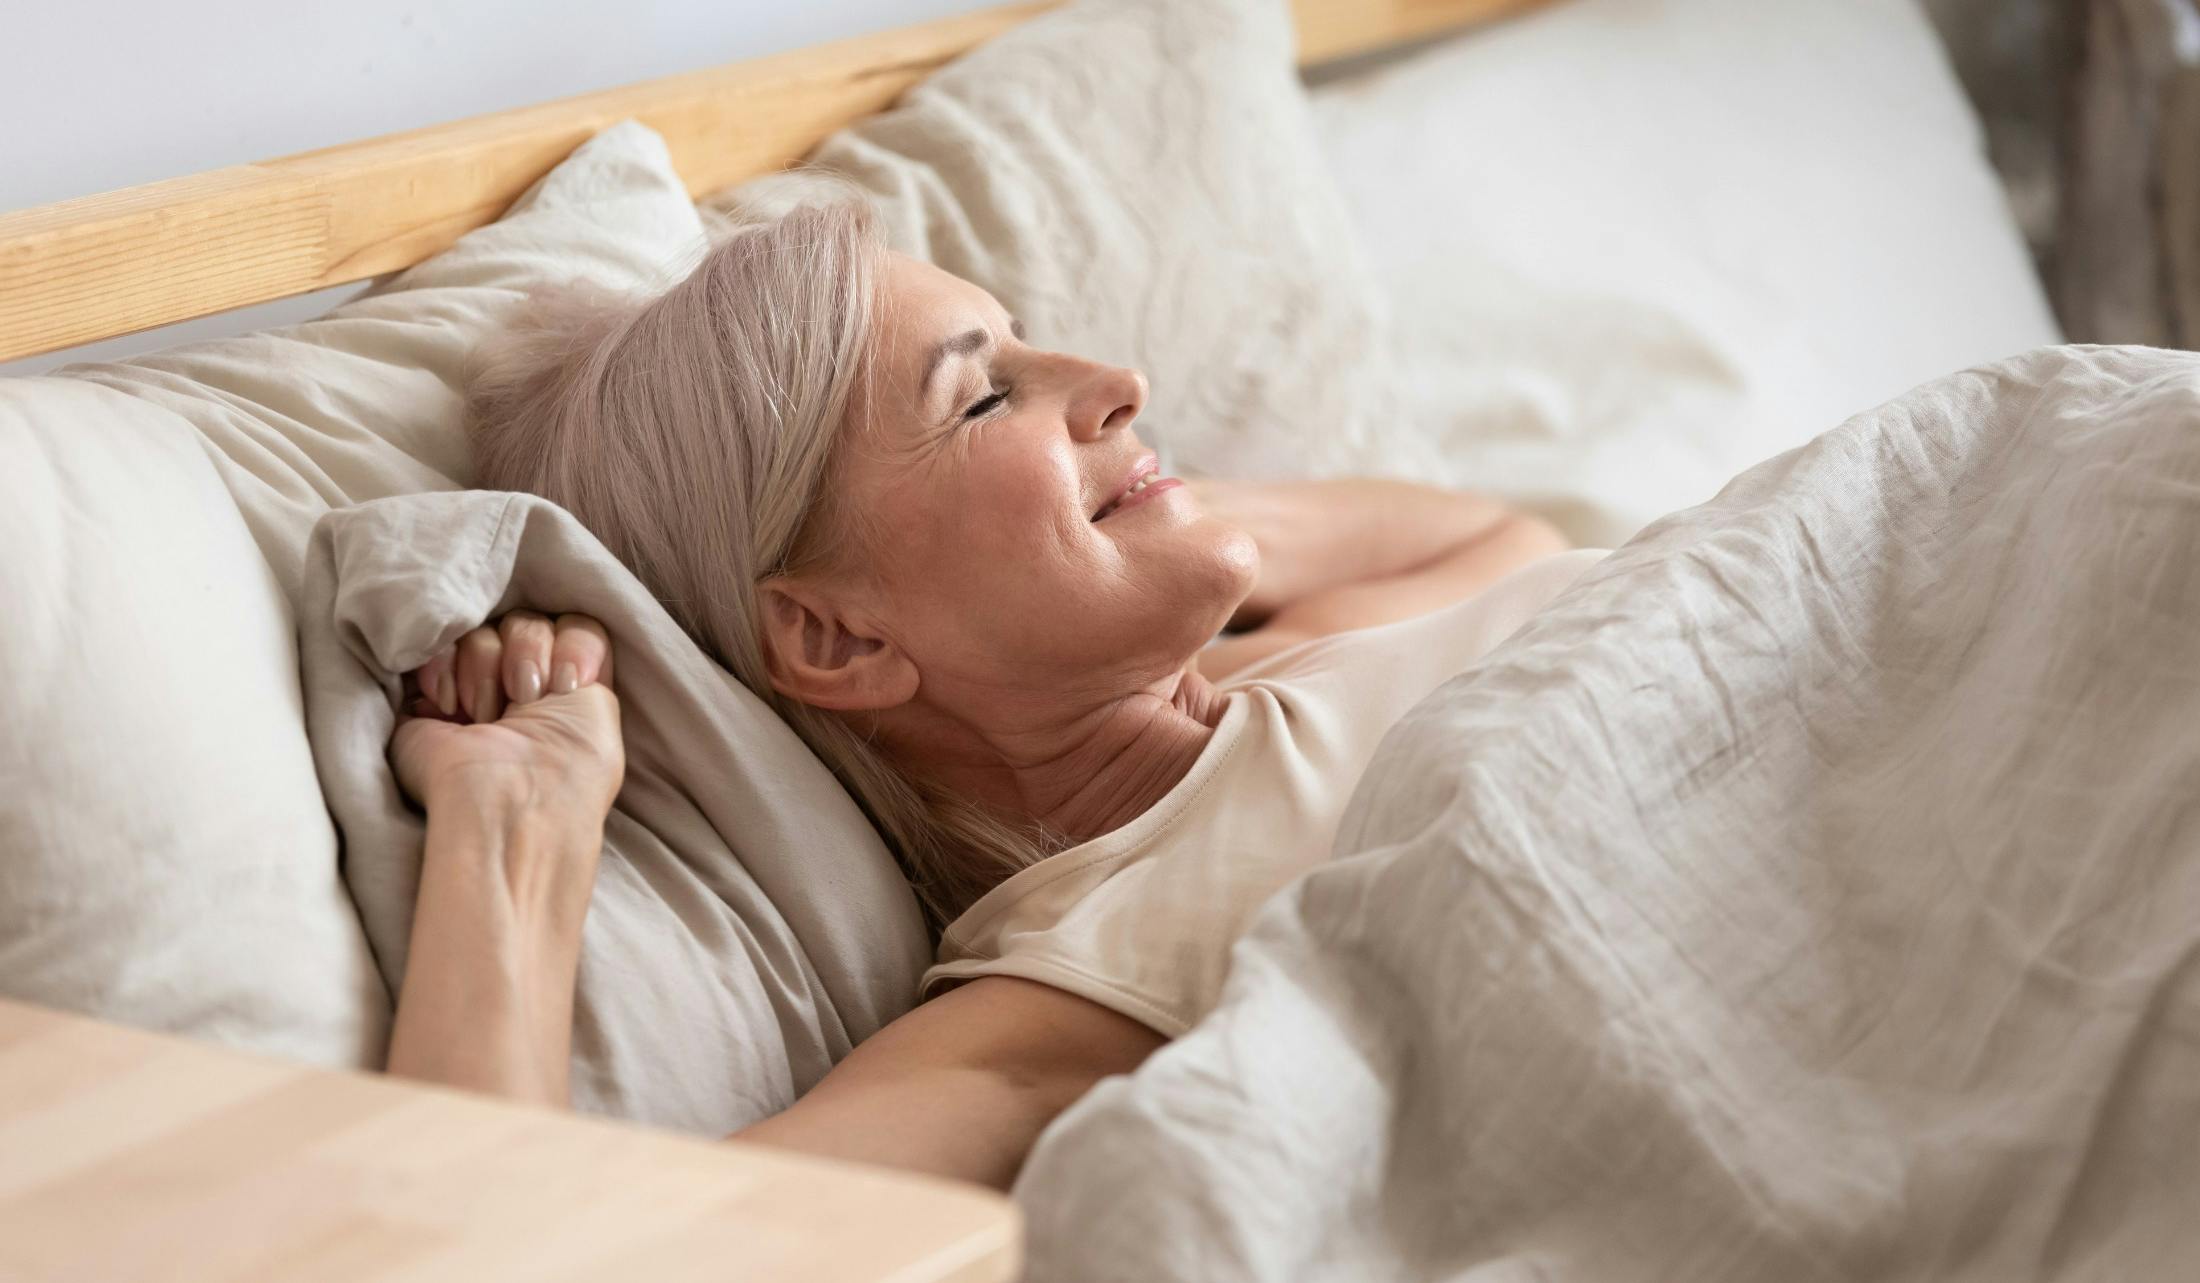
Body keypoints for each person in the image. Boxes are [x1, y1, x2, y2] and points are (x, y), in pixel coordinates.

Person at [384, 203, 1601, 1189]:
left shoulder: (1282, 670)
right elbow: (507, 1257)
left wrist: (1164, 512)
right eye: (982, 396)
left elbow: (1502, 529)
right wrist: (517, 828)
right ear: (839, 637)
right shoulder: (1076, 989)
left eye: (1025, 345)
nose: (1119, 380)